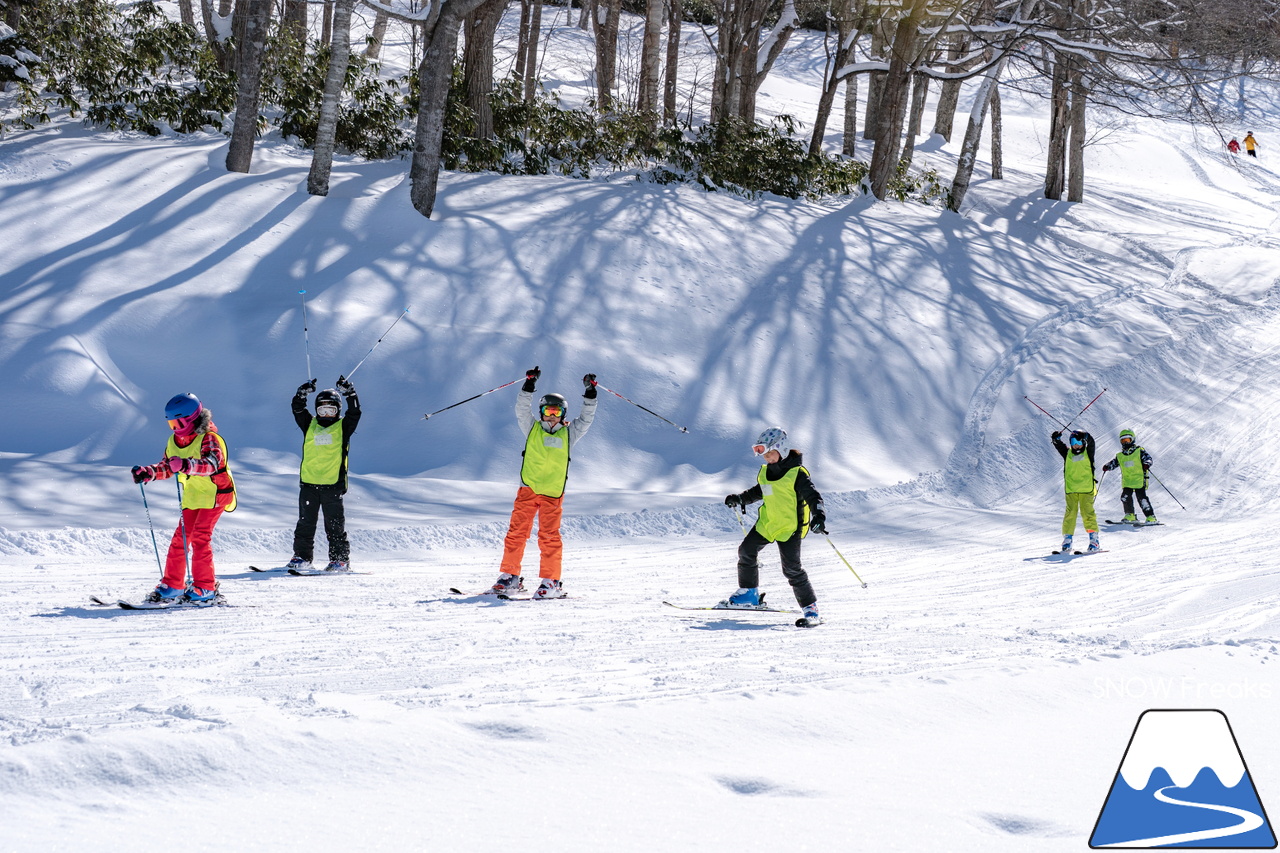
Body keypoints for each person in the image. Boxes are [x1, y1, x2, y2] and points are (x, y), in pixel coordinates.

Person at [489, 366, 598, 599]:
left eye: (556, 412)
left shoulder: (569, 434)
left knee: (549, 537)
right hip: (527, 489)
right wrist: (528, 386)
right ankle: (510, 577)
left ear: (563, 414)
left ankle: (551, 581)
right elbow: (521, 409)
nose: (551, 416)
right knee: (516, 533)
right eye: (548, 411)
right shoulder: (532, 429)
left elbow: (587, 419)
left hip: (553, 493)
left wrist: (590, 394)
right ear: (541, 412)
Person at [130, 393, 237, 604]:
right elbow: (167, 467)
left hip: (216, 494)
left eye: (178, 422)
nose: (175, 428)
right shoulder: (174, 440)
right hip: (194, 496)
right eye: (171, 424)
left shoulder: (209, 438)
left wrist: (187, 465)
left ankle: (205, 587)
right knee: (180, 539)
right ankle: (172, 585)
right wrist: (148, 472)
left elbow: (212, 464)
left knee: (199, 537)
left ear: (193, 418)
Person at [722, 427, 826, 624]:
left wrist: (819, 516)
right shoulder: (766, 473)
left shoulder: (797, 474)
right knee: (746, 551)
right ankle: (749, 593)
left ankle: (811, 610)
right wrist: (739, 499)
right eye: (765, 456)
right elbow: (758, 492)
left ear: (783, 450)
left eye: (770, 454)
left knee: (792, 569)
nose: (767, 459)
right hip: (768, 523)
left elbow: (813, 497)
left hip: (789, 527)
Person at [286, 376, 361, 572]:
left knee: (334, 526)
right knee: (305, 524)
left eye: (331, 410)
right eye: (322, 410)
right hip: (309, 484)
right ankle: (302, 557)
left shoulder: (343, 428)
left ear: (338, 411)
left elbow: (355, 413)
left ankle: (340, 560)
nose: (326, 415)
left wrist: (350, 394)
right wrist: (301, 394)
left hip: (332, 486)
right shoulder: (309, 424)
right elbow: (298, 409)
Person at [1051, 429, 1099, 553]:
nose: (1076, 445)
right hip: (1071, 490)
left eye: (1079, 441)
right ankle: (1067, 540)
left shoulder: (1089, 453)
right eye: (1073, 442)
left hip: (1086, 489)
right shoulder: (1068, 454)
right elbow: (1060, 447)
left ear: (1083, 442)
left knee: (1087, 513)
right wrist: (1056, 440)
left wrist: (1086, 436)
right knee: (1070, 514)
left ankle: (1094, 540)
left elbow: (1092, 442)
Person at [1101, 428, 1156, 524]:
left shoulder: (1139, 451)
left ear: (1132, 440)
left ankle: (1150, 516)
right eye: (1123, 440)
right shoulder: (1120, 455)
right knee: (1125, 497)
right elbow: (1114, 463)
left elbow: (1148, 458)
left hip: (1139, 479)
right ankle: (1130, 515)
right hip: (1127, 481)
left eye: (1127, 440)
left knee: (1142, 498)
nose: (1125, 443)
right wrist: (1107, 466)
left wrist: (1147, 464)